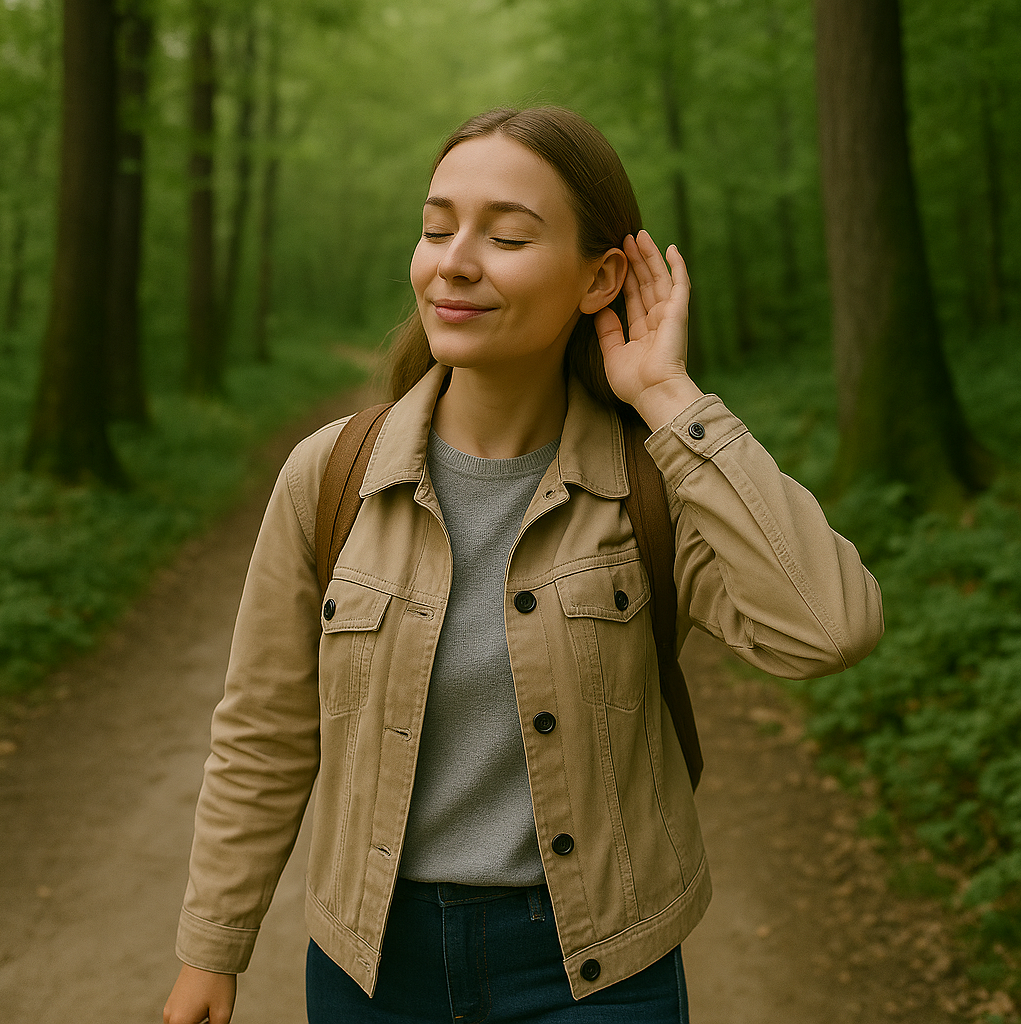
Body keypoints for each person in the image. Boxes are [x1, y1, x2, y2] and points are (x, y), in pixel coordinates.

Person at [164, 106, 883, 1024]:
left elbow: (831, 628)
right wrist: (211, 950)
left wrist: (670, 399)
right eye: (436, 228)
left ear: (600, 278)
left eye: (506, 235)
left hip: (597, 970)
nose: (455, 260)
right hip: (372, 971)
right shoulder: (331, 476)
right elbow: (263, 731)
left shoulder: (650, 486)